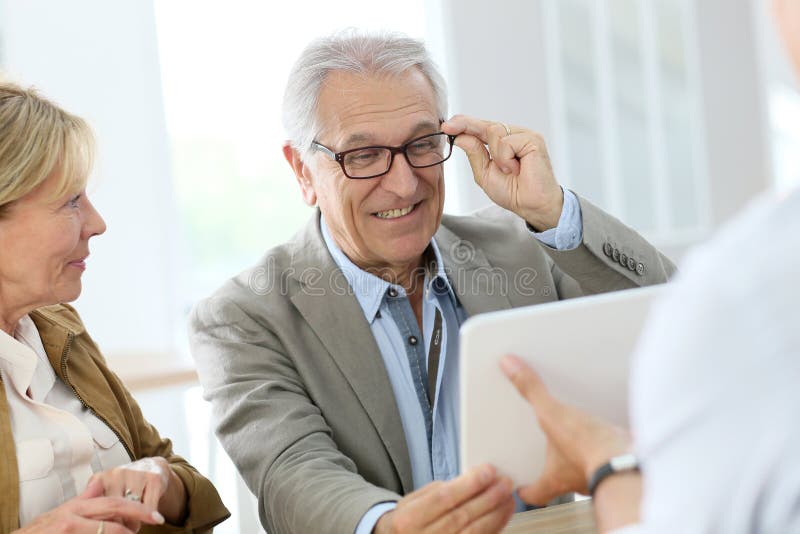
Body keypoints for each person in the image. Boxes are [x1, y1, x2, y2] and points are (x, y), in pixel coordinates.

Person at [188, 30, 676, 534]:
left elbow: (678, 327)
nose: (403, 183)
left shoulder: (526, 246)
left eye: (421, 144)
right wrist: (391, 526)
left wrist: (551, 211)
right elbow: (292, 475)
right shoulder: (242, 317)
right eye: (363, 156)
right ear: (303, 171)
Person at [500, 2, 800, 532]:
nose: (403, 180)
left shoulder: (740, 298)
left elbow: (670, 300)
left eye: (425, 144)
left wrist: (608, 464)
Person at [0, 81, 230, 533]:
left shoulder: (58, 328)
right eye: (70, 201)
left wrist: (157, 481)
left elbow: (174, 471)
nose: (98, 223)